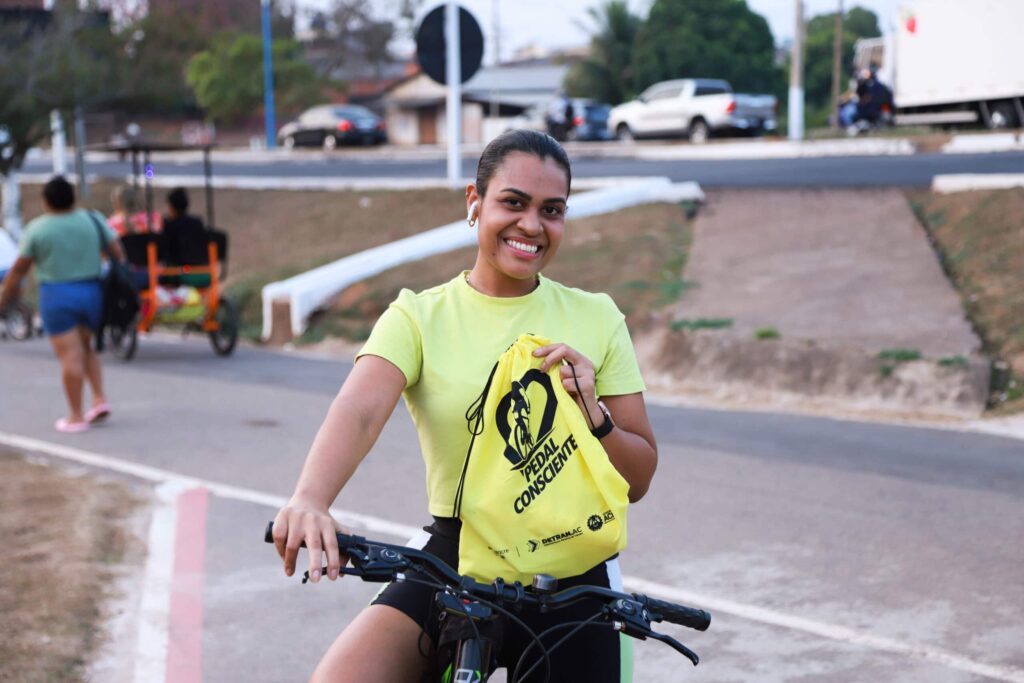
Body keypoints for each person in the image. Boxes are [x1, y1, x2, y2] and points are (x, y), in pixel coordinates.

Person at [271, 130, 658, 682]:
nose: (532, 225)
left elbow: (638, 479)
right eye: (513, 202)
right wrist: (310, 498)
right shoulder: (418, 317)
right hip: (458, 555)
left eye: (552, 210)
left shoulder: (596, 317)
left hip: (573, 570)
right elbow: (358, 410)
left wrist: (594, 414)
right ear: (474, 204)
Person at [0, 176, 123, 432]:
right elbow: (117, 251)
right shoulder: (92, 219)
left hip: (57, 295)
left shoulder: (38, 229)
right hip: (92, 292)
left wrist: (4, 297)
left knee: (70, 355)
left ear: (46, 201)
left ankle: (76, 416)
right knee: (86, 346)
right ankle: (99, 398)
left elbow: (20, 269)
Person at [161, 187, 208, 268]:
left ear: (172, 207)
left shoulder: (169, 225)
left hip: (175, 271)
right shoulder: (197, 223)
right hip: (200, 268)